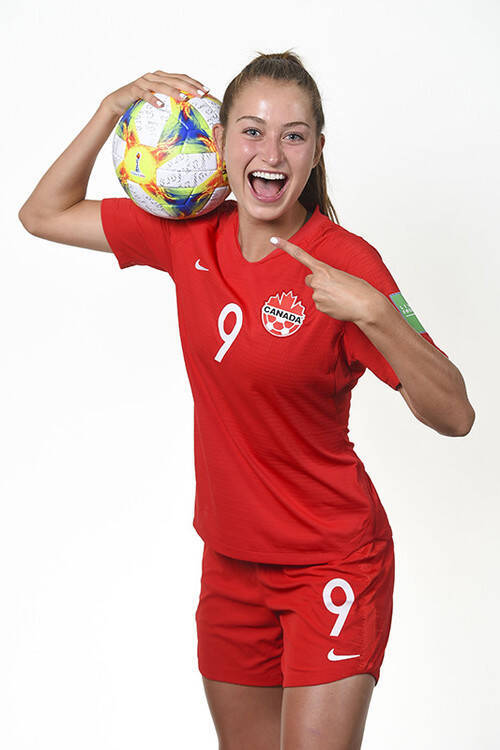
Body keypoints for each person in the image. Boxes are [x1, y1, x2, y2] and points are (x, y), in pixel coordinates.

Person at [19, 51, 475, 750]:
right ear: (220, 141)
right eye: (253, 131)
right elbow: (41, 213)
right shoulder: (190, 231)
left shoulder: (346, 262)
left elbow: (455, 414)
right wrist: (112, 109)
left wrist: (377, 314)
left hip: (330, 562)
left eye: (294, 135)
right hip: (230, 563)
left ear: (316, 151)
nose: (271, 153)